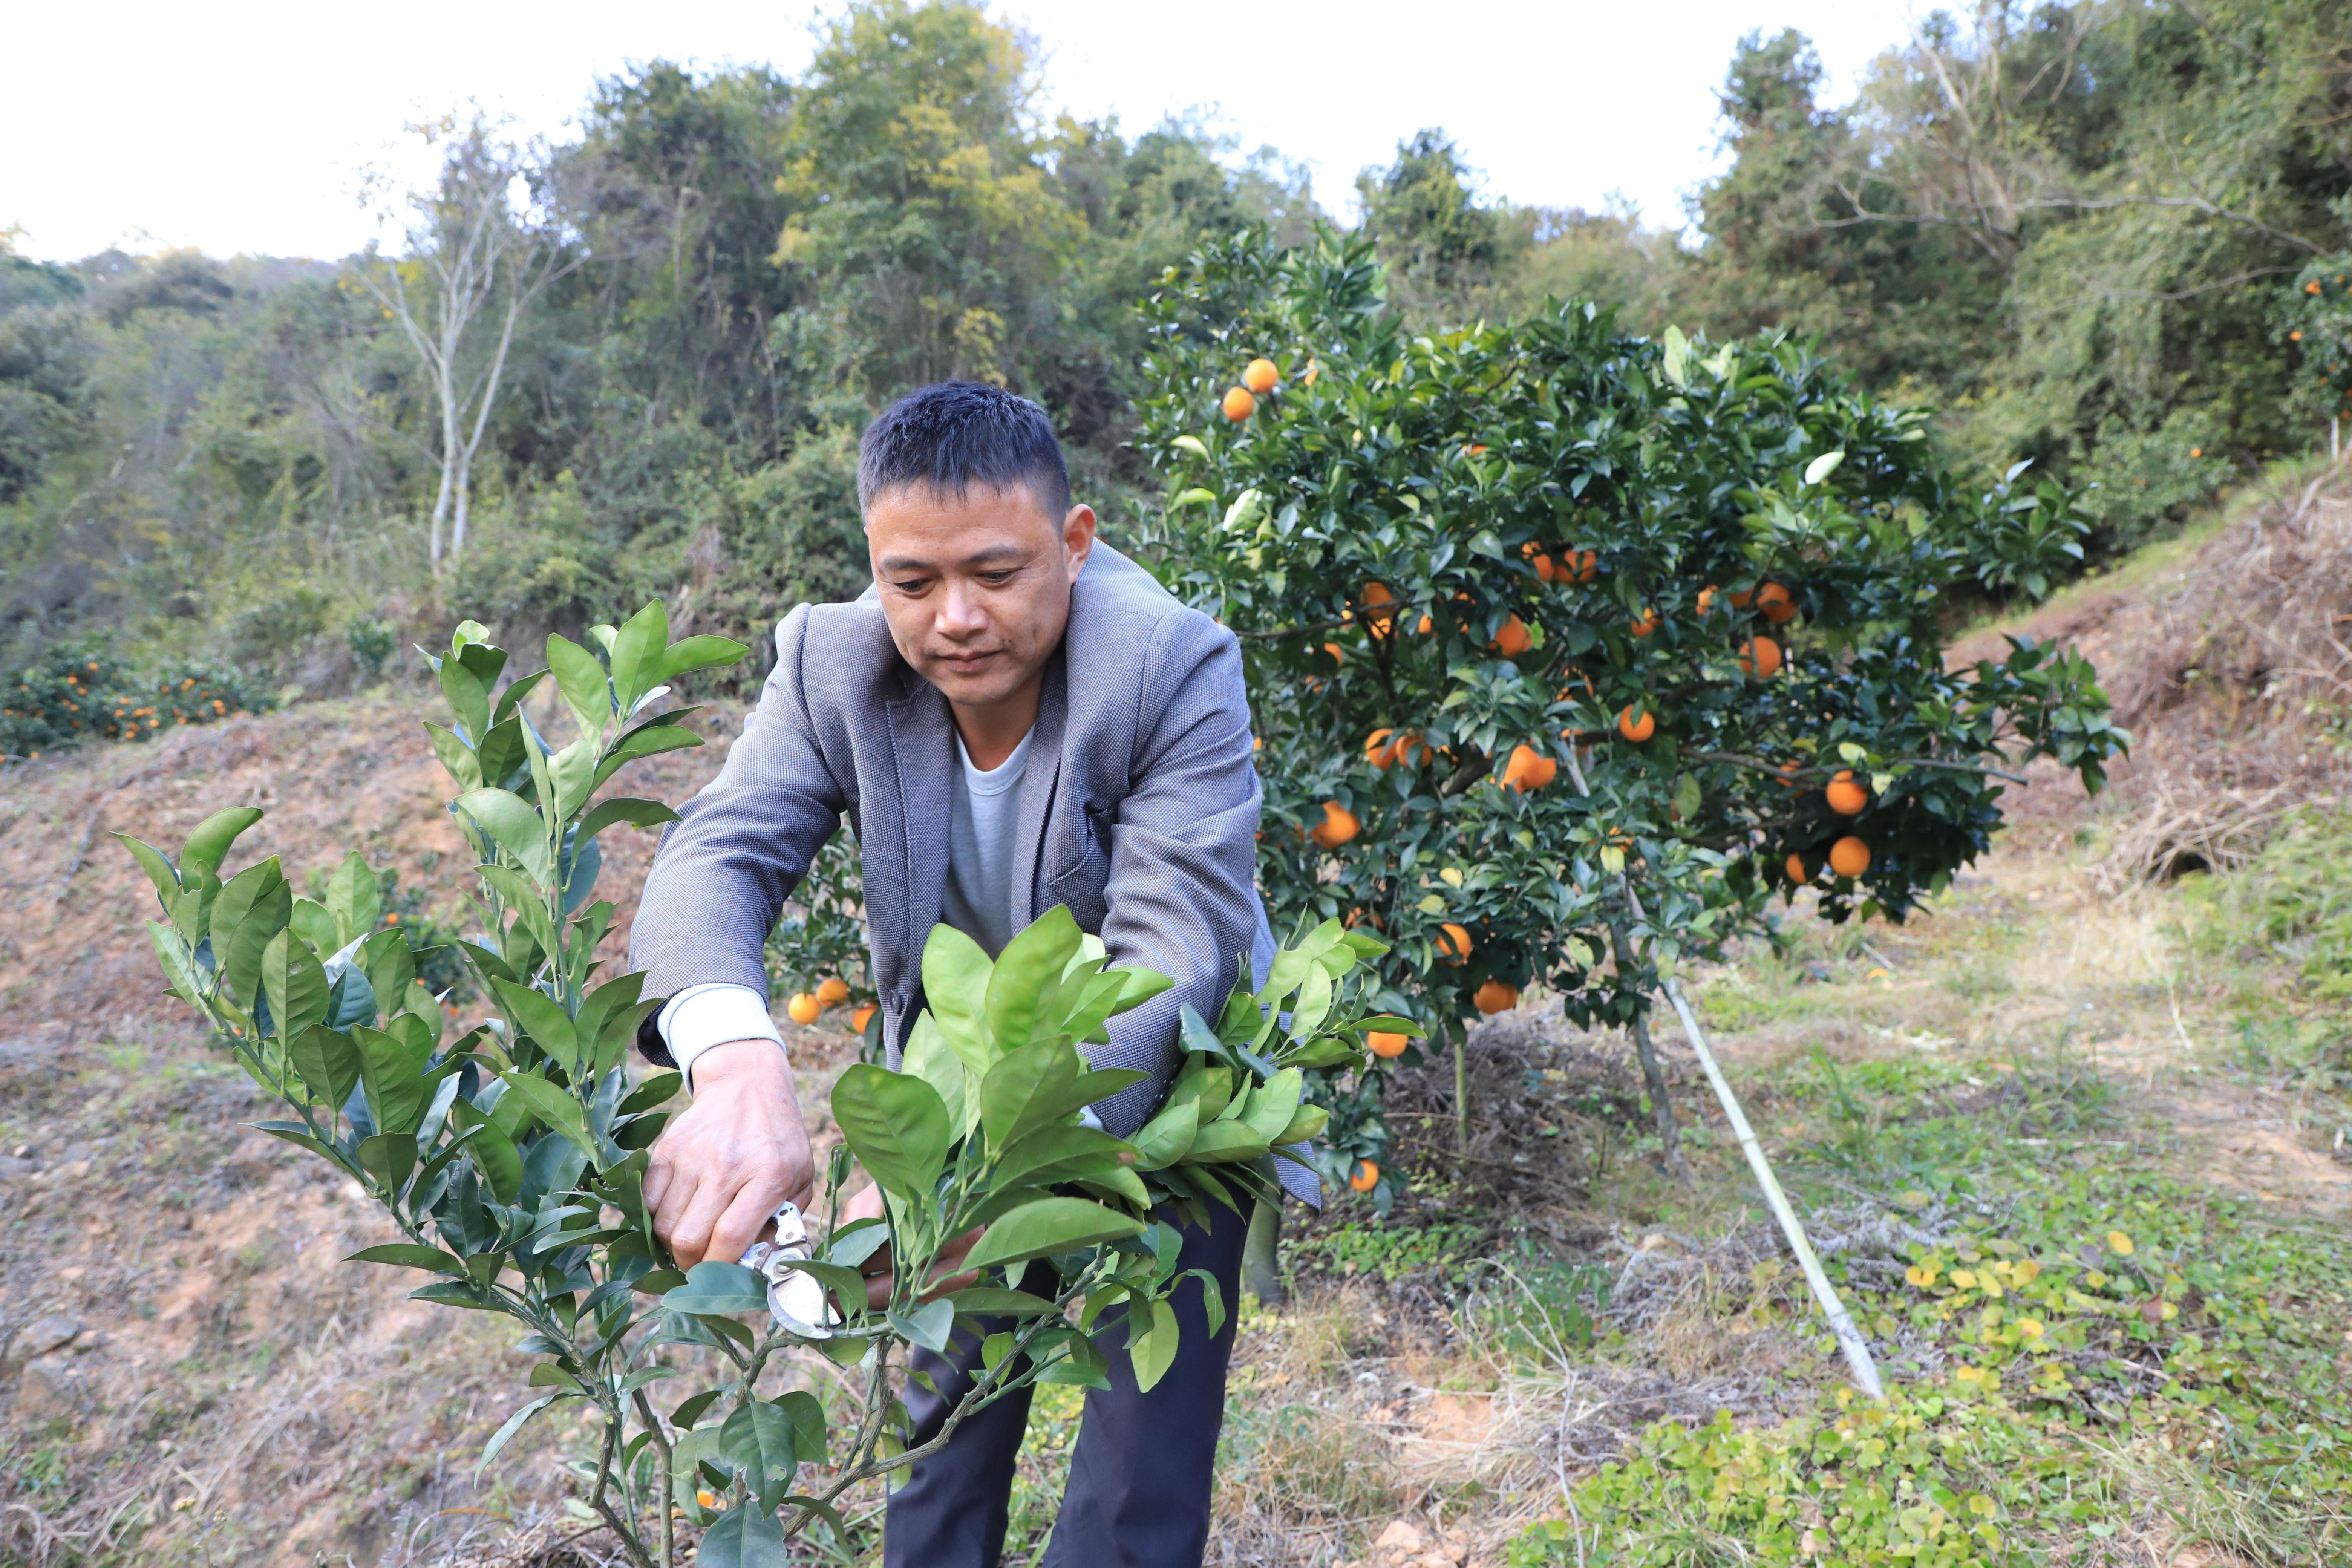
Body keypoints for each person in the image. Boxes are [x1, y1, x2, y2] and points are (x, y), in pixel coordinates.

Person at [628, 380, 1312, 1566]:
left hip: (1177, 1077)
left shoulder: (1168, 663)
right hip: (964, 1067)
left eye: (997, 575)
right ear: (875, 565)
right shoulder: (828, 663)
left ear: (1075, 542)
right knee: (938, 1434)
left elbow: (1172, 958)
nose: (955, 618)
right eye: (914, 582)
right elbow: (716, 853)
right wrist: (734, 1063)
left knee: (1136, 1471)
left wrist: (972, 1185)